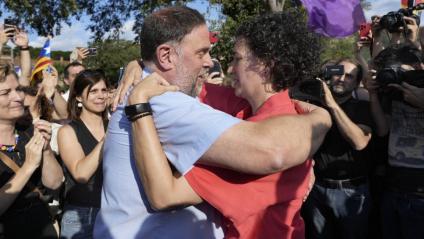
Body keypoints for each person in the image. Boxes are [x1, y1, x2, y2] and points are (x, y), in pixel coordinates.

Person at [94, 6, 331, 239]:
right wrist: (139, 65)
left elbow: (165, 194)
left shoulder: (271, 135)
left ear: (266, 66)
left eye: (236, 58)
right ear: (166, 55)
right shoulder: (180, 102)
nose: (218, 65)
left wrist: (322, 118)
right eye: (201, 53)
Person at [301, 58, 373, 239]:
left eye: (349, 76)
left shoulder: (362, 107)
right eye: (338, 72)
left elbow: (359, 142)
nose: (341, 78)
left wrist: (333, 105)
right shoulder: (314, 107)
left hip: (351, 193)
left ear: (357, 84)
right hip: (317, 189)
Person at [367, 43, 424, 239]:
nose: (394, 74)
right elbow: (383, 129)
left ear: (418, 67)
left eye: (399, 70)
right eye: (390, 70)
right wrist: (373, 95)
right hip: (394, 187)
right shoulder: (391, 92)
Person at [0, 63, 63, 238]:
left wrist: (46, 150)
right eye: (6, 93)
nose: (18, 97)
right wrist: (28, 166)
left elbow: (55, 183)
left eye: (18, 89)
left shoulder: (28, 131)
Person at [57, 70, 109, 238]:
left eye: (104, 90)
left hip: (115, 211)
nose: (100, 96)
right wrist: (106, 140)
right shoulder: (68, 131)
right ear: (78, 97)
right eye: (93, 91)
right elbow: (81, 173)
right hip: (82, 215)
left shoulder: (116, 125)